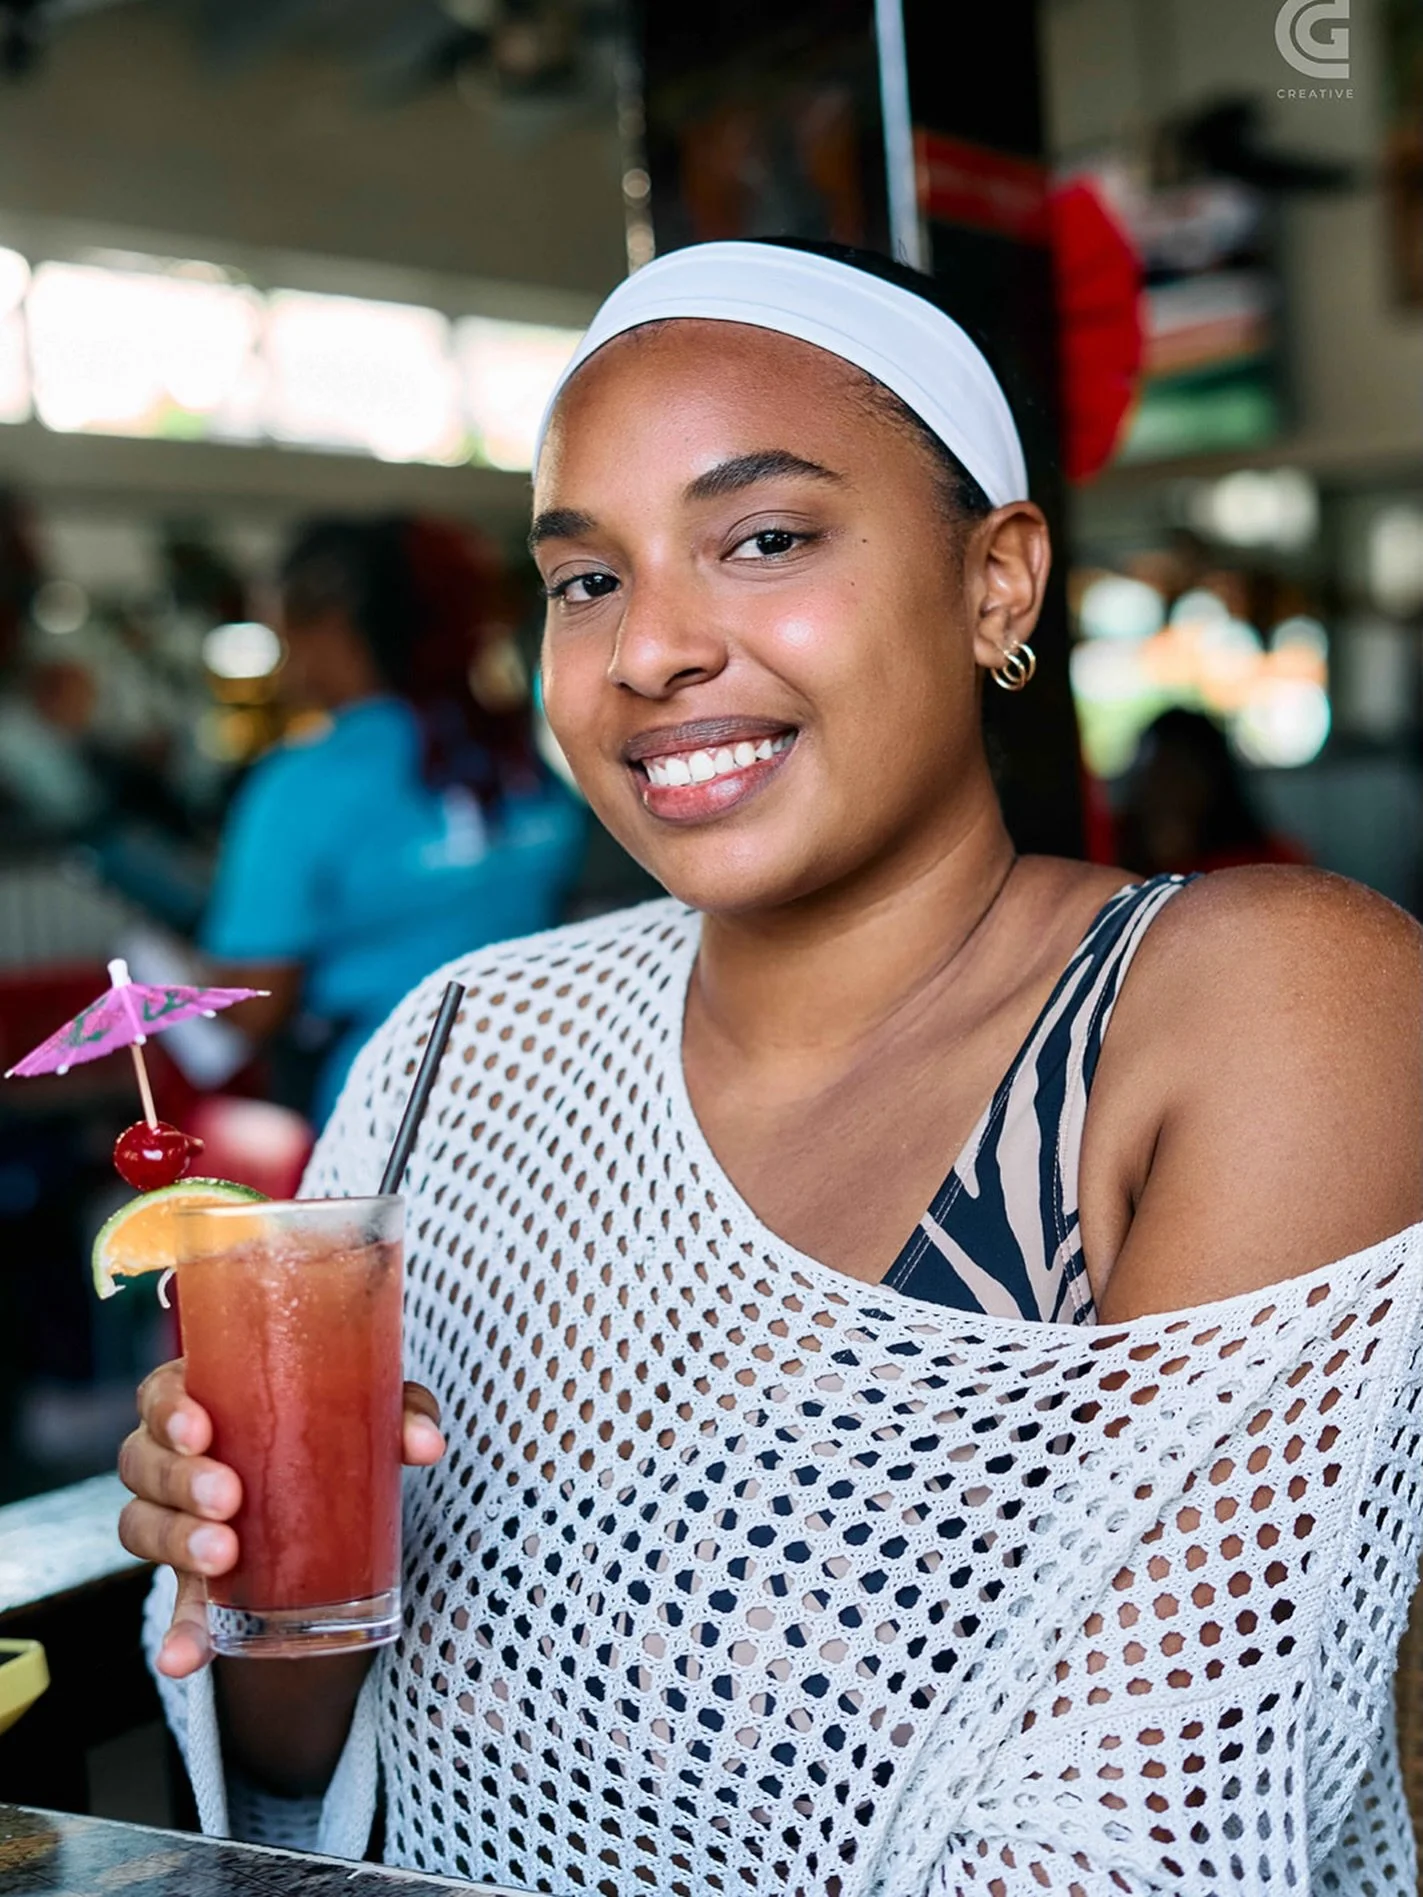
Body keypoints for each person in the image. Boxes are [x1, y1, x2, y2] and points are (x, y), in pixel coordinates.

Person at [119, 243, 1423, 1895]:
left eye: (764, 538)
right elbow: (328, 1762)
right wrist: (250, 1561)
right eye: (584, 578)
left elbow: (1128, 1842)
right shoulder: (461, 1048)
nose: (647, 648)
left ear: (995, 584)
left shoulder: (1241, 1002)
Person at [201, 516, 585, 1124]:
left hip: (386, 1117)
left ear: (326, 623)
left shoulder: (303, 782)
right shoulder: (518, 756)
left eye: (283, 627)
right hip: (549, 1088)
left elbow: (255, 1008)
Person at [1115, 706, 1309, 876]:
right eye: (1156, 775)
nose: (1167, 791)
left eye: (1181, 775)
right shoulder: (1110, 846)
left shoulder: (1270, 863)